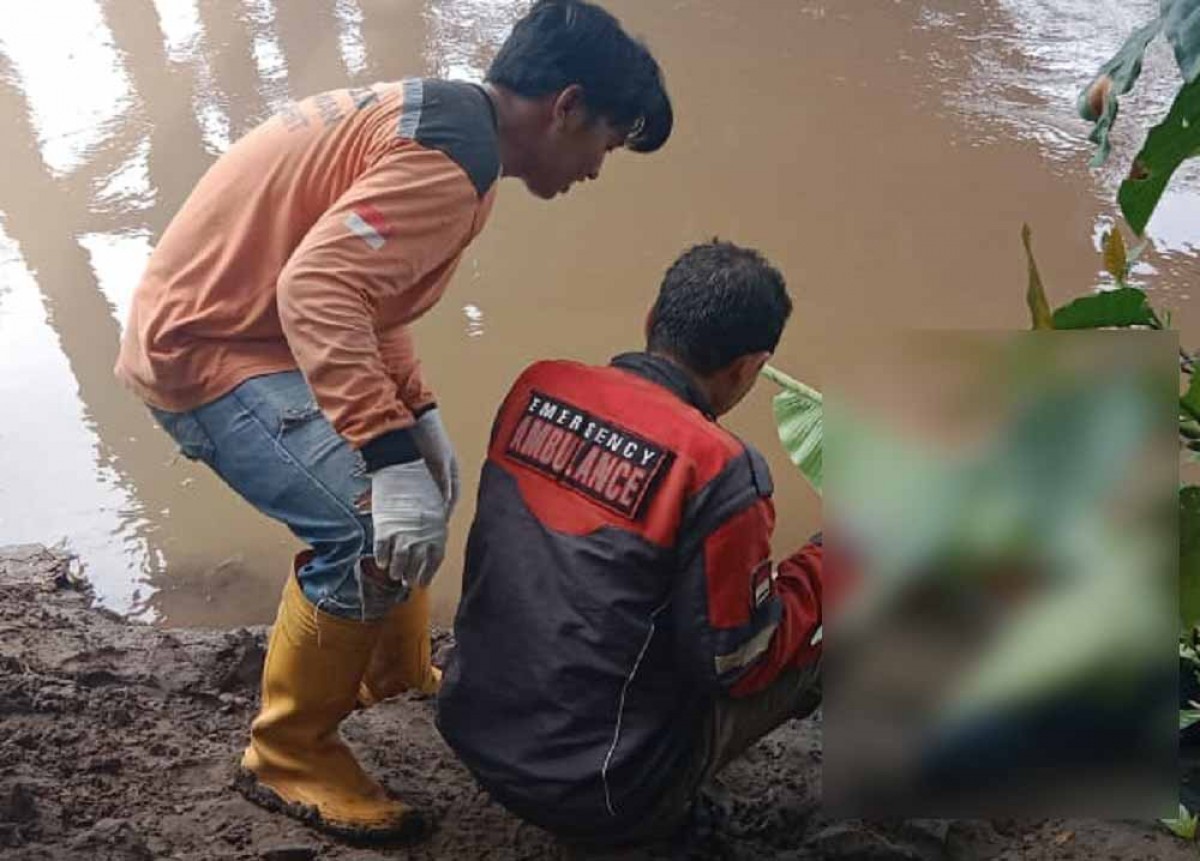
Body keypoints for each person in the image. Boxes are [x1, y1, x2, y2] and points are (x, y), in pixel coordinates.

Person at [113, 0, 671, 843]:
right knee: (366, 519)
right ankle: (288, 750)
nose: (599, 167)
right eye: (607, 141)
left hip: (260, 326)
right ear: (564, 107)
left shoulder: (458, 129)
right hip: (206, 346)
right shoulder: (450, 165)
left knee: (417, 483)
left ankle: (394, 673)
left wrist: (418, 416)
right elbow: (320, 291)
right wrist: (385, 450)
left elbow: (372, 290)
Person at [437, 240, 823, 845]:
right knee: (831, 614)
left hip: (473, 729)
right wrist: (826, 568)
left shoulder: (537, 386)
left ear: (650, 319)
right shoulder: (719, 467)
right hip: (604, 788)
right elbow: (740, 664)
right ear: (750, 367)